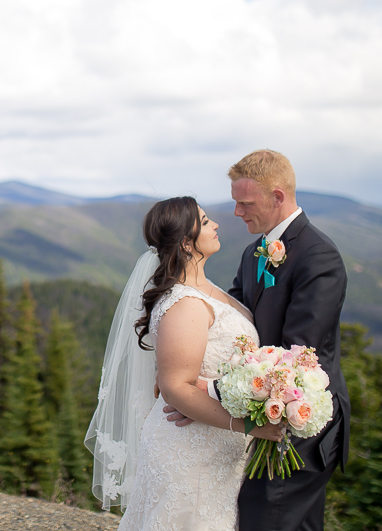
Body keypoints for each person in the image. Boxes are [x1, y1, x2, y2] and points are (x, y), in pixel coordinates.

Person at [165, 150, 350, 531]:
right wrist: (185, 379)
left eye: (245, 203)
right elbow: (233, 324)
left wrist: (210, 392)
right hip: (263, 413)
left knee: (268, 520)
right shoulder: (254, 253)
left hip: (300, 426)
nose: (236, 212)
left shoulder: (319, 257)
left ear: (277, 196)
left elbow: (299, 356)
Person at [85, 196, 282, 530]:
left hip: (218, 449)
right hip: (190, 452)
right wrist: (253, 426)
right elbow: (175, 386)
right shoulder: (186, 303)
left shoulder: (210, 289)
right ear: (187, 244)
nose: (216, 224)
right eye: (205, 222)